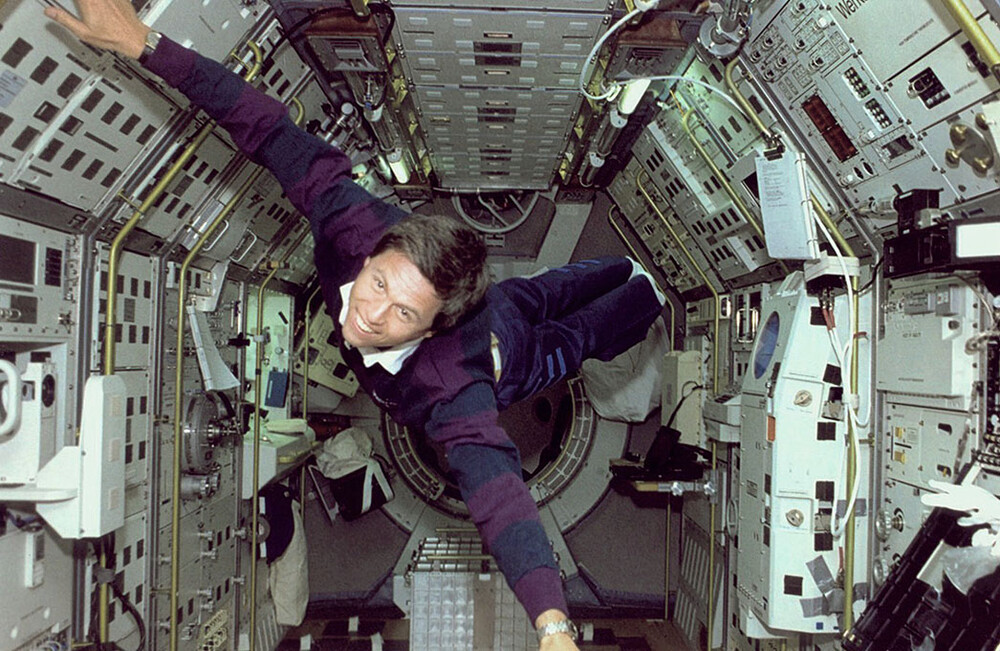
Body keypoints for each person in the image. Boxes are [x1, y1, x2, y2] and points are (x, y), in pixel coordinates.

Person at [45, 1, 665, 648]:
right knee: (545, 290)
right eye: (380, 284)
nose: (370, 313)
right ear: (375, 252)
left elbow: (500, 495)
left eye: (404, 313)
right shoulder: (353, 221)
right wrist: (145, 43)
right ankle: (622, 267)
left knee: (572, 339)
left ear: (436, 324)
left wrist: (552, 622)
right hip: (500, 304)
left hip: (503, 358)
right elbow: (266, 127)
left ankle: (643, 294)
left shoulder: (454, 387)